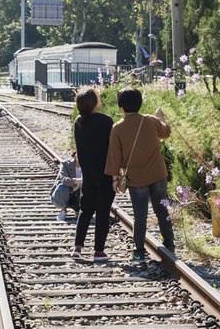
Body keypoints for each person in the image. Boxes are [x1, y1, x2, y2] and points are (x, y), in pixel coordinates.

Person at [104, 86, 174, 263]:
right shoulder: (150, 120)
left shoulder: (117, 128)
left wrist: (114, 179)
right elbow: (166, 133)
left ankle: (139, 251)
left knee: (140, 215)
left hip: (137, 180)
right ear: (140, 103)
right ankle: (170, 244)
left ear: (121, 108)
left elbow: (114, 156)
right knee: (161, 210)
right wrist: (160, 118)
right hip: (158, 174)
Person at [71, 87, 116, 263]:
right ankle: (98, 251)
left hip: (88, 173)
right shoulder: (106, 121)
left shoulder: (78, 122)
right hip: (105, 173)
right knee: (103, 212)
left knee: (86, 209)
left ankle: (77, 246)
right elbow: (111, 148)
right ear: (95, 102)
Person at [51, 153, 82, 222]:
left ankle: (80, 210)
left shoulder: (89, 165)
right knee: (62, 186)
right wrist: (78, 181)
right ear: (75, 154)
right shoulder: (66, 164)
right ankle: (63, 210)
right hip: (66, 192)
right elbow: (64, 179)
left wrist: (79, 184)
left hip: (79, 193)